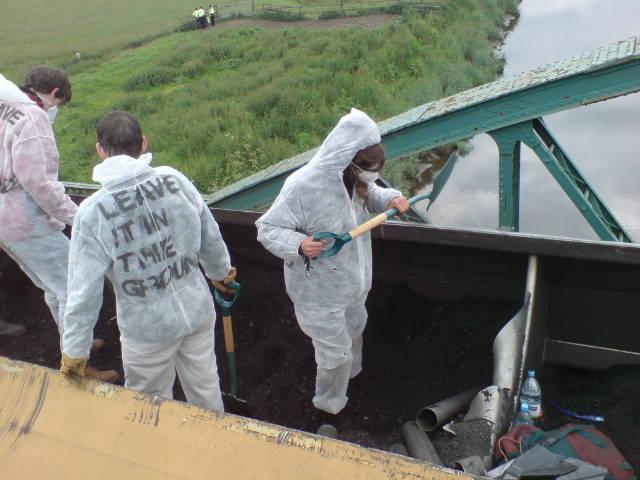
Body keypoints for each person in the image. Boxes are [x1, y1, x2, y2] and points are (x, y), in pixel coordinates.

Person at [60, 111, 236, 411]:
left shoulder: (92, 213)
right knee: (206, 386)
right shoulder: (174, 180)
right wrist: (220, 273)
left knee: (148, 402)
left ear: (101, 151)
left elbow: (83, 291)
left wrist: (75, 351)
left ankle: (157, 453)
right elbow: (210, 234)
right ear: (143, 143)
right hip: (196, 310)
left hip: (147, 331)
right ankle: (214, 448)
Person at [256, 108, 410, 415]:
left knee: (355, 329)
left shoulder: (354, 180)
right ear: (348, 158)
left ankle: (353, 378)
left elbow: (373, 192)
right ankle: (328, 407)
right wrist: (299, 244)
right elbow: (267, 229)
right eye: (368, 168)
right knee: (334, 354)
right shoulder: (303, 186)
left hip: (353, 283)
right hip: (319, 292)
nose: (371, 174)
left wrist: (392, 198)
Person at [0, 67, 119, 380]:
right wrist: (76, 216)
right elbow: (37, 180)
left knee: (55, 288)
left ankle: (75, 343)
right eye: (58, 103)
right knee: (75, 289)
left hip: (7, 221)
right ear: (54, 93)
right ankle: (79, 367)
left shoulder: (6, 108)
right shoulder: (34, 118)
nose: (55, 110)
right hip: (28, 222)